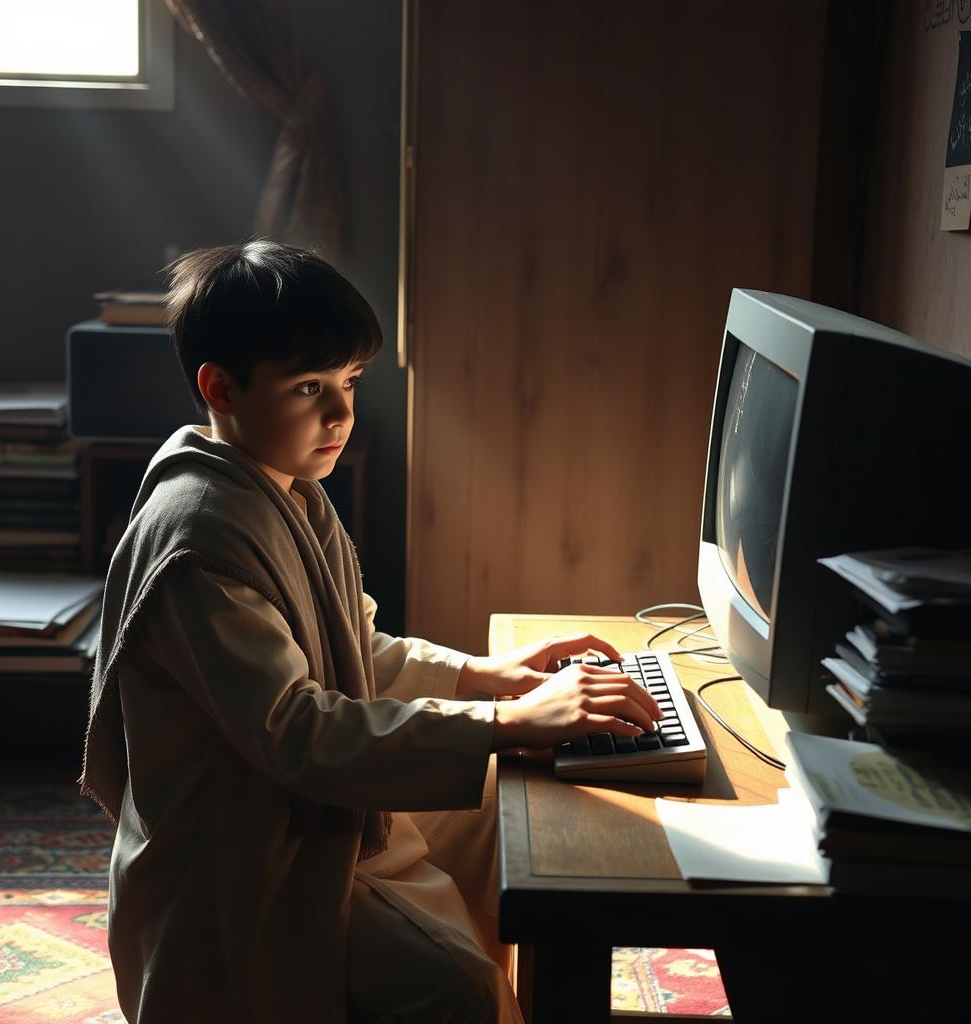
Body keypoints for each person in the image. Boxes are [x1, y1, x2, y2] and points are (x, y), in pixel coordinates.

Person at [77, 239, 662, 1023]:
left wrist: (486, 677)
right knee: (453, 987)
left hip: (303, 817)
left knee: (513, 817)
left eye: (350, 382)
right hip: (250, 863)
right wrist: (506, 722)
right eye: (309, 387)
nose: (342, 413)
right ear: (220, 387)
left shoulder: (284, 486)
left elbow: (356, 652)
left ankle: (545, 993)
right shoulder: (200, 541)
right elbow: (296, 729)